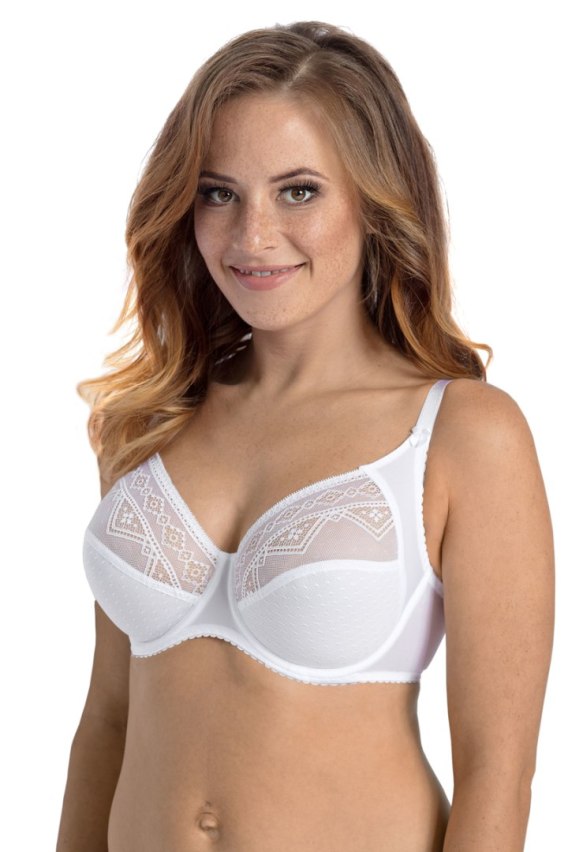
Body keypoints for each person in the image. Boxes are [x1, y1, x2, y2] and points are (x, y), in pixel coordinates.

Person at [56, 20, 554, 852]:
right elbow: (107, 720)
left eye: (298, 191)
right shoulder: (149, 422)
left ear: (375, 199)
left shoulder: (463, 435)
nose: (252, 236)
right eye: (219, 193)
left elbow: (498, 772)